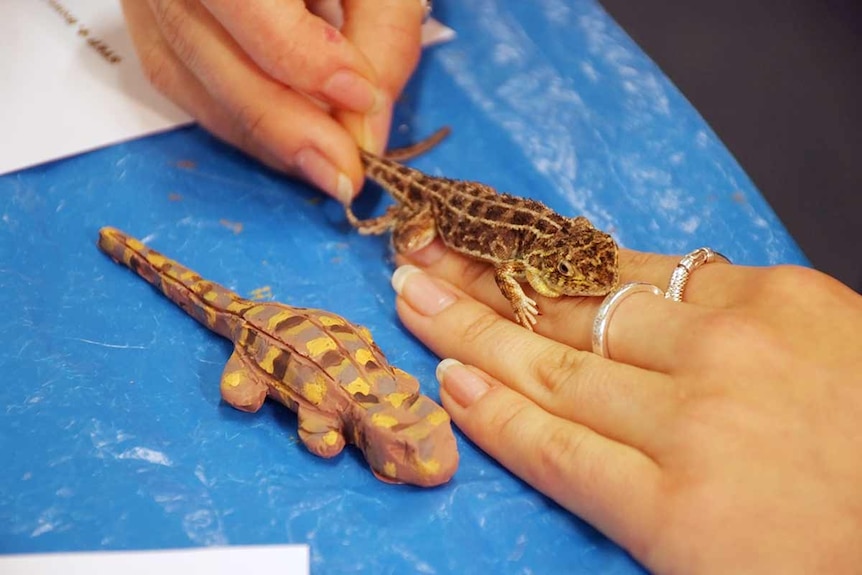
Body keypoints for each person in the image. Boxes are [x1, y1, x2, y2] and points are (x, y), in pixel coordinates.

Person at [123, 3, 862, 573]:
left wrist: (546, 291)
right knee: (404, 231)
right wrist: (464, 266)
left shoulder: (554, 250)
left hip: (475, 203)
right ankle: (384, 205)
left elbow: (530, 260)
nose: (585, 276)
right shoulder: (532, 254)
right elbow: (511, 268)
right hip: (444, 205)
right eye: (583, 270)